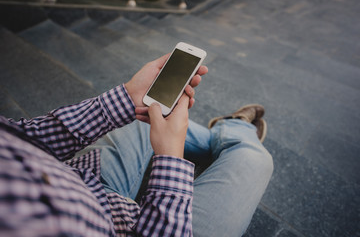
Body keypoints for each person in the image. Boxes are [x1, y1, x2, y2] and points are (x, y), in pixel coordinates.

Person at [0, 54, 273, 237]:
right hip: (140, 228)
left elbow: (23, 136)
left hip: (88, 181)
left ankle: (228, 135)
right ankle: (236, 128)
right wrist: (170, 157)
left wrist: (126, 97)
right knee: (254, 159)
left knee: (143, 115)